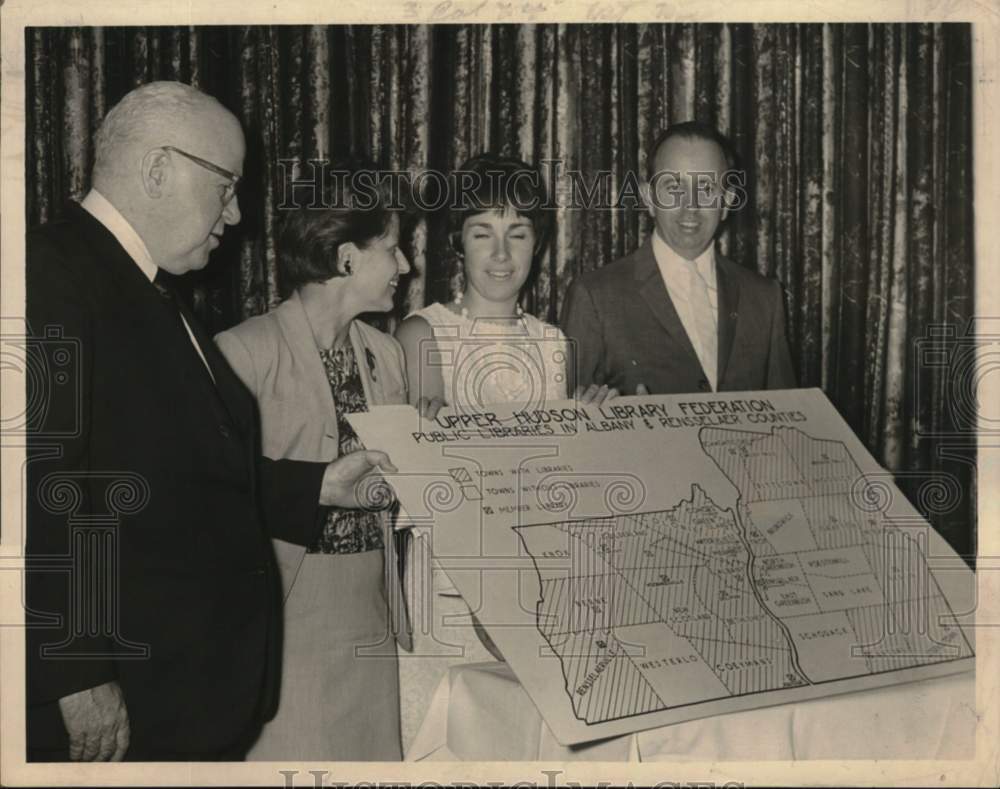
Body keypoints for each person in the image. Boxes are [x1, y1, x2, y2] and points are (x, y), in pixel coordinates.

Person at [24, 82, 393, 762]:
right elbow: (30, 492)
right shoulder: (48, 274)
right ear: (158, 169)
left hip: (176, 694)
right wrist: (74, 673)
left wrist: (317, 487)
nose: (237, 213)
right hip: (121, 698)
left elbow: (174, 474)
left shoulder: (148, 284)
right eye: (225, 185)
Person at [394, 152, 614, 748]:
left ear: (536, 246)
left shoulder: (553, 346)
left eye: (516, 234)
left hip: (535, 581)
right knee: (447, 739)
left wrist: (593, 432)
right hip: (448, 579)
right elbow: (430, 478)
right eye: (481, 233)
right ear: (457, 245)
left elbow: (565, 484)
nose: (499, 254)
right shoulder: (423, 333)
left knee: (522, 742)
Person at [215, 165, 415, 760]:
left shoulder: (386, 354)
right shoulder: (241, 353)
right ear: (348, 260)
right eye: (393, 250)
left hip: (372, 612)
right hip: (285, 620)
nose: (405, 267)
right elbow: (210, 504)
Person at [561, 121, 796, 395]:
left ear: (727, 200)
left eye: (706, 188)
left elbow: (786, 423)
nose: (690, 206)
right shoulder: (595, 297)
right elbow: (570, 426)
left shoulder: (765, 298)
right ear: (648, 197)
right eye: (674, 187)